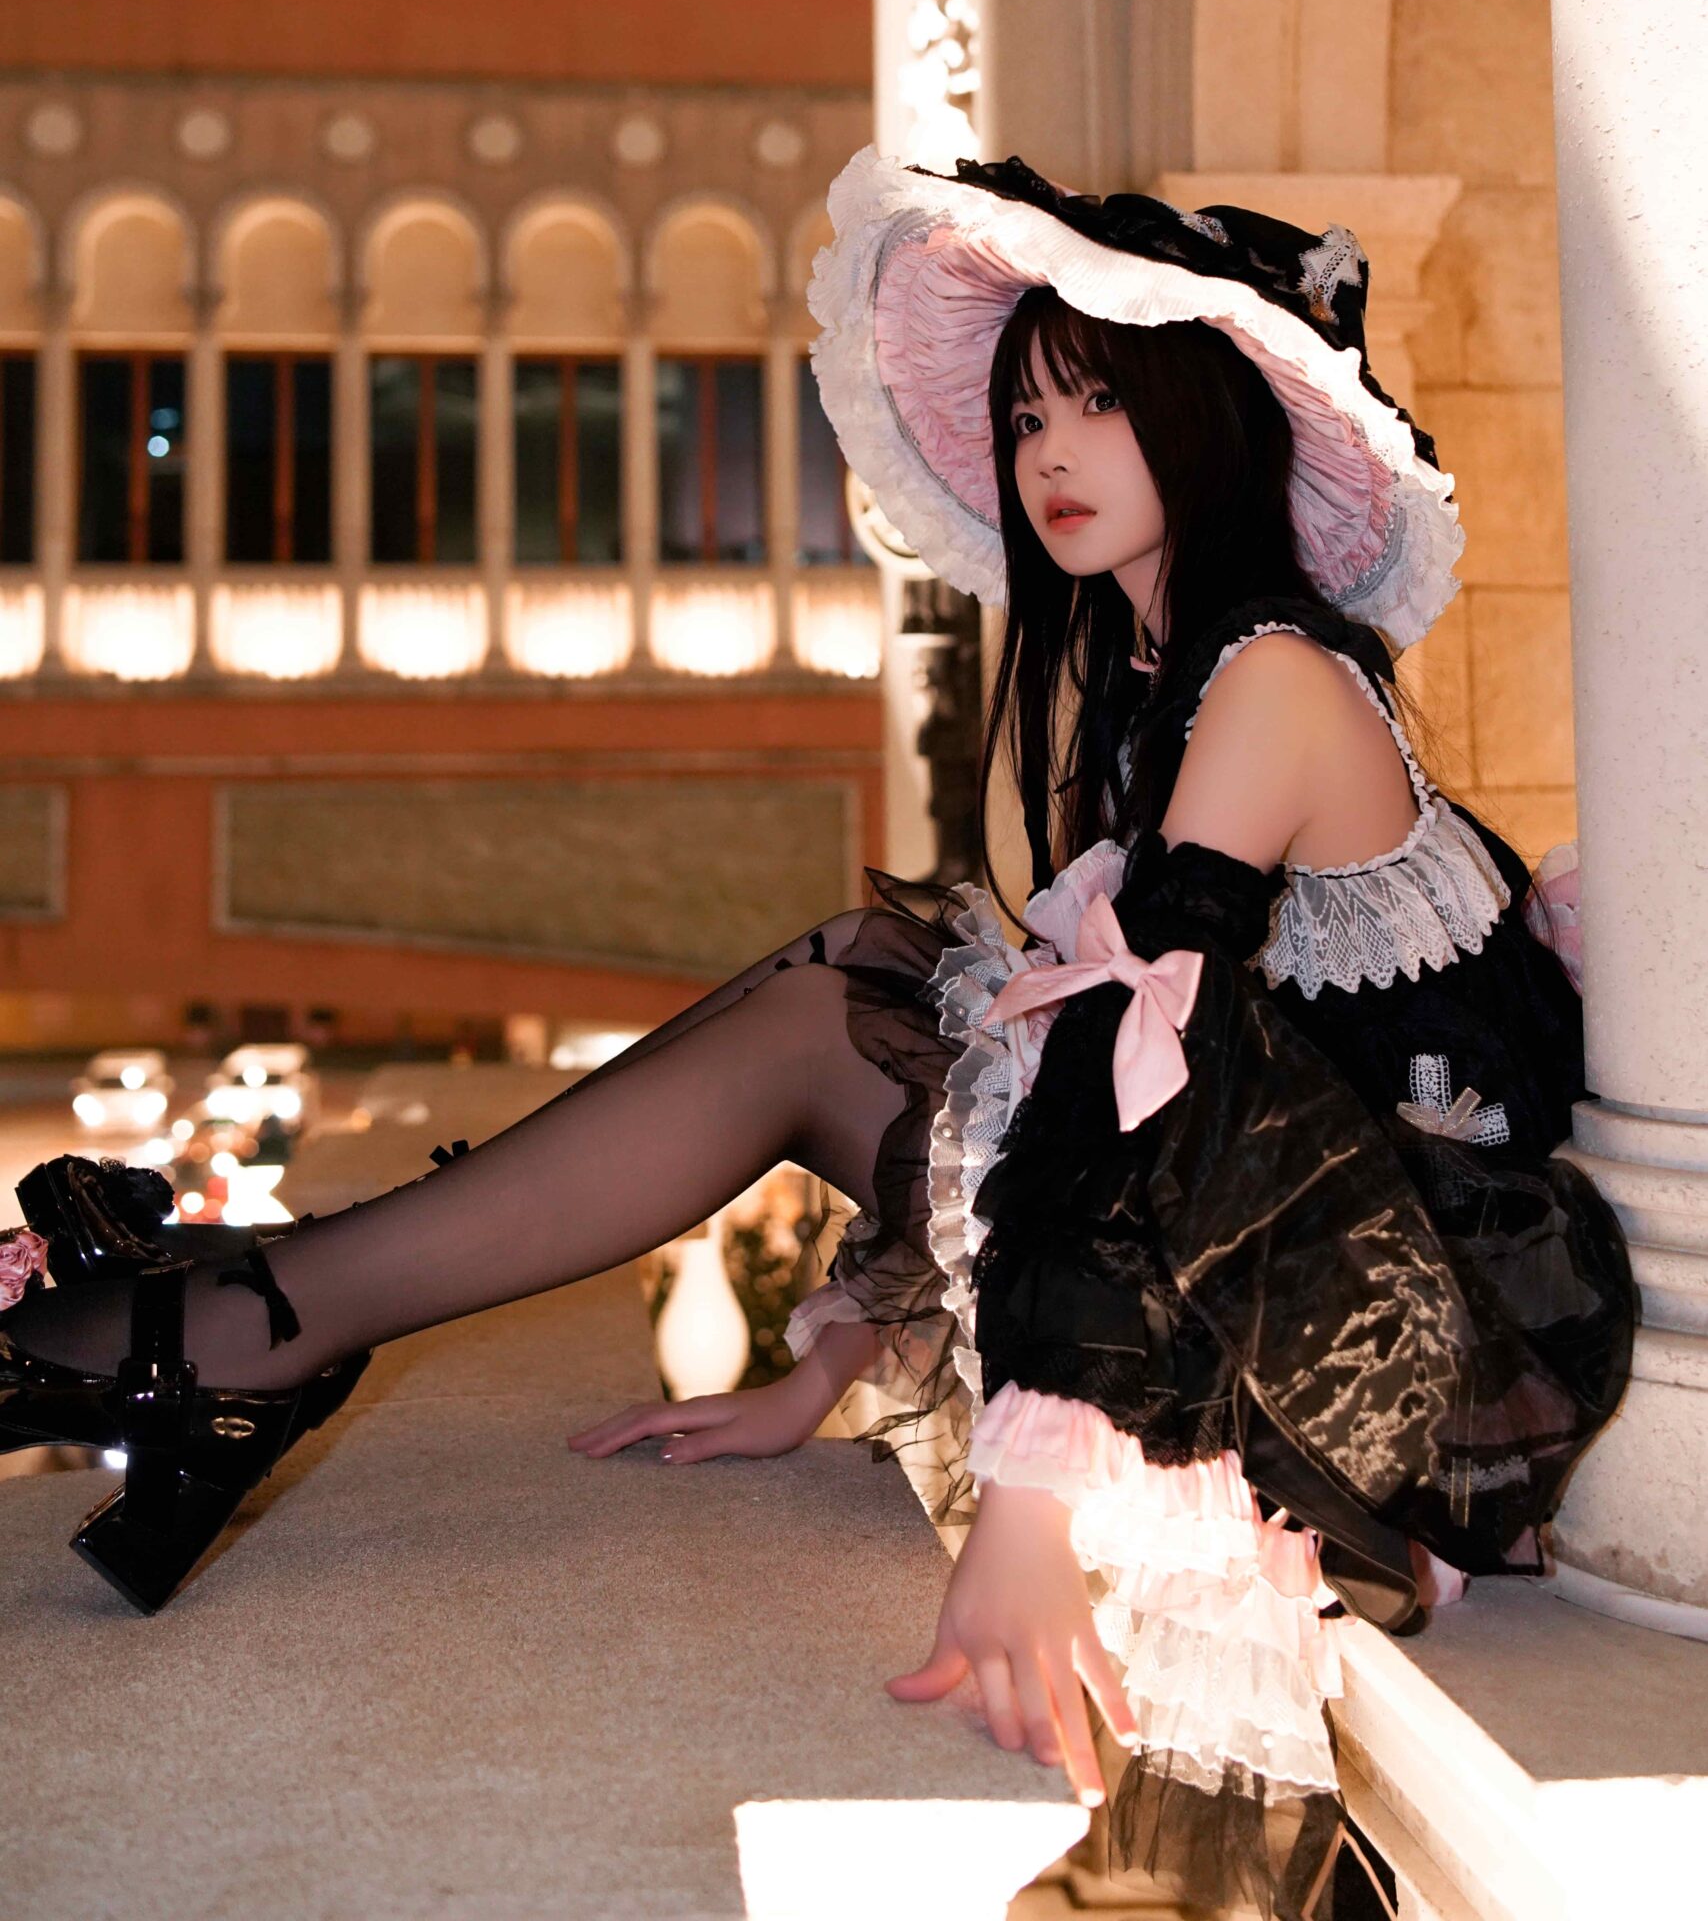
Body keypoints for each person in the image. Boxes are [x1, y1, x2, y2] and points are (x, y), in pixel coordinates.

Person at [1, 149, 1633, 1920]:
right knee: (864, 975)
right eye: (1027, 419)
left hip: (1375, 1350)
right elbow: (1074, 1081)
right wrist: (840, 1356)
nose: (1051, 456)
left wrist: (1029, 1496)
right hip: (1284, 1254)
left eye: (1100, 404)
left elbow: (1133, 1103)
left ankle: (252, 1326)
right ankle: (263, 1319)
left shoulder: (1272, 686)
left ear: (1210, 419)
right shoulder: (1178, 683)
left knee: (837, 1005)